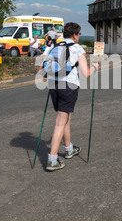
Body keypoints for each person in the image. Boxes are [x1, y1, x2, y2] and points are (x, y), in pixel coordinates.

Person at [40, 22, 99, 171]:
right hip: (69, 86)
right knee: (61, 121)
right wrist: (95, 67)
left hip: (54, 86)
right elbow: (86, 73)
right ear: (74, 35)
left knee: (66, 117)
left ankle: (68, 149)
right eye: (78, 34)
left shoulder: (55, 47)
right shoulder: (77, 48)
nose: (78, 37)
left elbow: (42, 71)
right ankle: (52, 159)